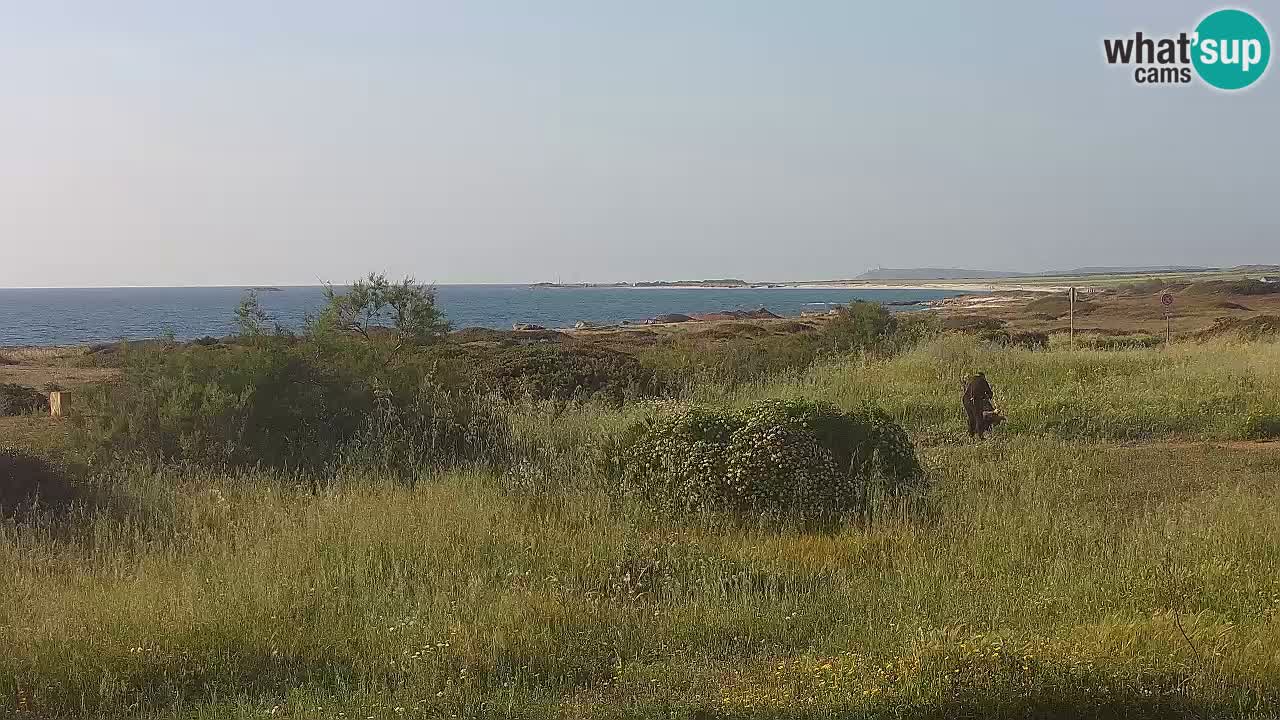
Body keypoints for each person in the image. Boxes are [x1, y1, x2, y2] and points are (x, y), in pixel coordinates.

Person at [962, 372, 995, 439]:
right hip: (975, 400)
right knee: (979, 417)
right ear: (983, 377)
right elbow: (990, 393)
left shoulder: (971, 380)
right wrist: (986, 398)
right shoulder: (983, 381)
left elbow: (967, 391)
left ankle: (971, 435)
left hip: (965, 399)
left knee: (971, 418)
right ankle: (980, 436)